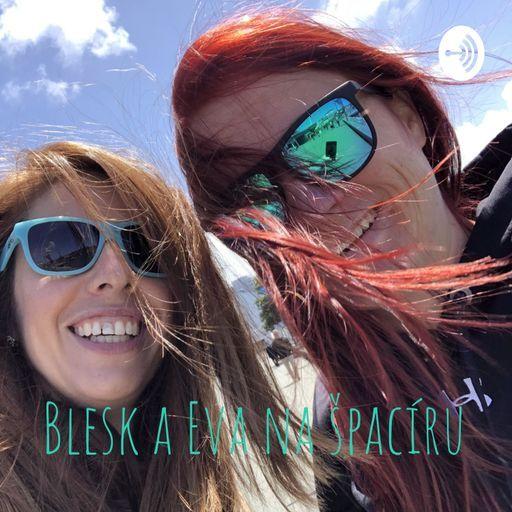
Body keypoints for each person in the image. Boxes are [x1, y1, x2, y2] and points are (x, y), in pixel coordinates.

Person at [171, 8, 512, 511]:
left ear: (407, 116)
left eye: (328, 142)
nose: (316, 207)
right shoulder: (340, 423)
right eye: (260, 205)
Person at [0, 141, 325, 511]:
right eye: (62, 246)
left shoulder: (194, 475)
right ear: (7, 303)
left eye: (145, 247)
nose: (117, 274)